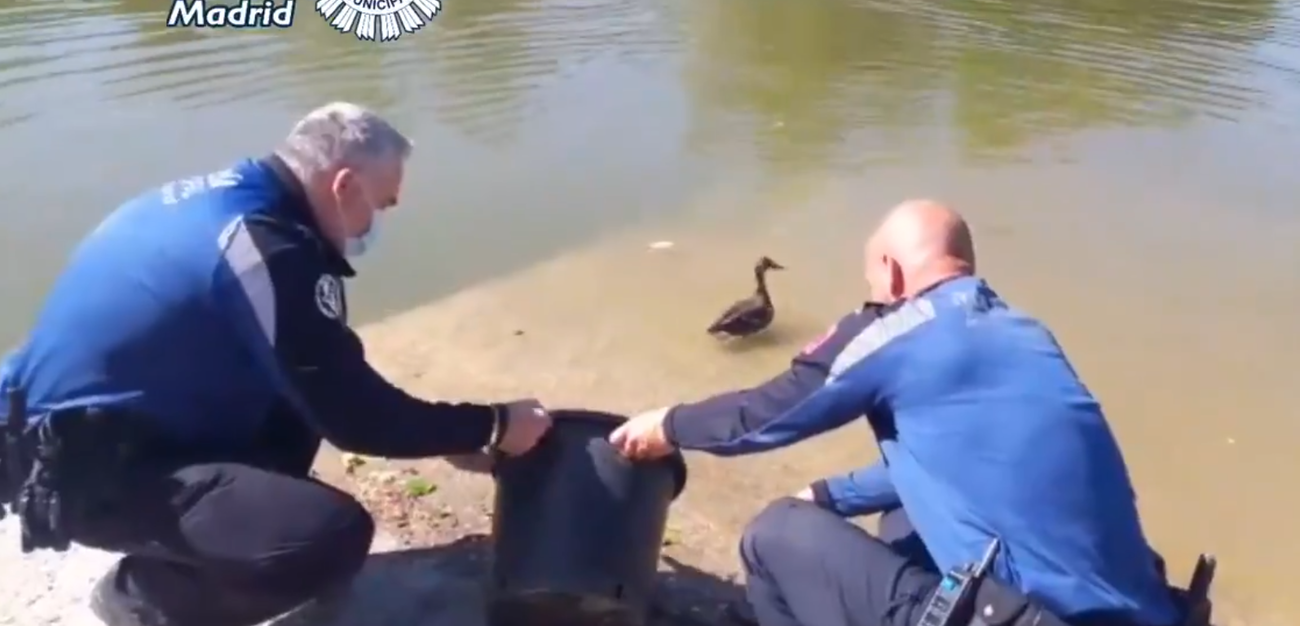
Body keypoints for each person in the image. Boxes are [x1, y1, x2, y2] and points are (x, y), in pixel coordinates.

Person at [0, 102, 554, 626]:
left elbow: (325, 374)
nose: (372, 227)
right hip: (79, 471)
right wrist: (496, 423)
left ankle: (211, 537)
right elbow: (356, 419)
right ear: (344, 186)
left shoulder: (222, 201)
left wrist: (445, 437)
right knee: (328, 536)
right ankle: (144, 596)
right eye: (379, 206)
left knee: (295, 398)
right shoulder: (267, 248)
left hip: (77, 432)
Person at [609, 199, 1183, 626]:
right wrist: (832, 495)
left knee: (775, 534)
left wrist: (668, 425)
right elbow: (954, 461)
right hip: (1145, 612)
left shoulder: (897, 328)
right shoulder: (1025, 333)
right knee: (904, 518)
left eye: (871, 280)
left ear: (892, 269)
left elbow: (768, 414)